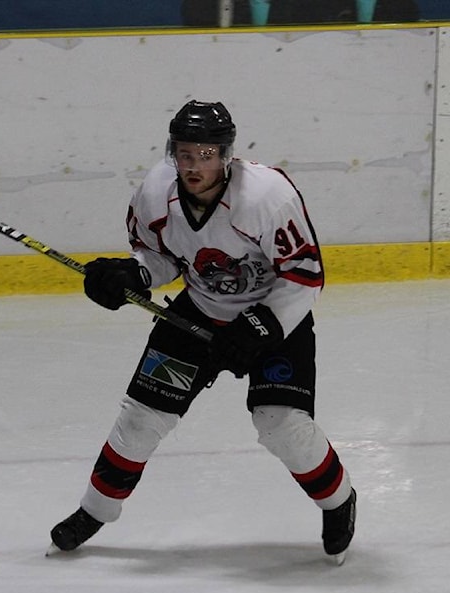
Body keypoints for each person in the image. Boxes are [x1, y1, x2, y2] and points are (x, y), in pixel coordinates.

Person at [49, 101, 357, 564]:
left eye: (206, 154)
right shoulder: (155, 192)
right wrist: (131, 275)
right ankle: (95, 511)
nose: (194, 166)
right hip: (196, 315)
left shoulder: (268, 197)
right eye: (185, 154)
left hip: (276, 318)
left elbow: (304, 274)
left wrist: (262, 325)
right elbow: (163, 257)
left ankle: (339, 502)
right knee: (140, 420)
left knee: (281, 426)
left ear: (227, 155)